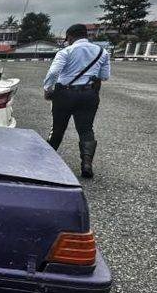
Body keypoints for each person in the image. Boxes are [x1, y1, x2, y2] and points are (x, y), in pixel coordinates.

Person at [43, 23, 111, 178]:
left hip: (65, 94)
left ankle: (46, 161)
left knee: (58, 128)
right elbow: (105, 76)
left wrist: (48, 89)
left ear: (70, 36)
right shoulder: (102, 52)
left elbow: (53, 72)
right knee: (86, 129)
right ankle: (86, 164)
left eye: (67, 39)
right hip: (89, 95)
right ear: (86, 35)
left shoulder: (66, 51)